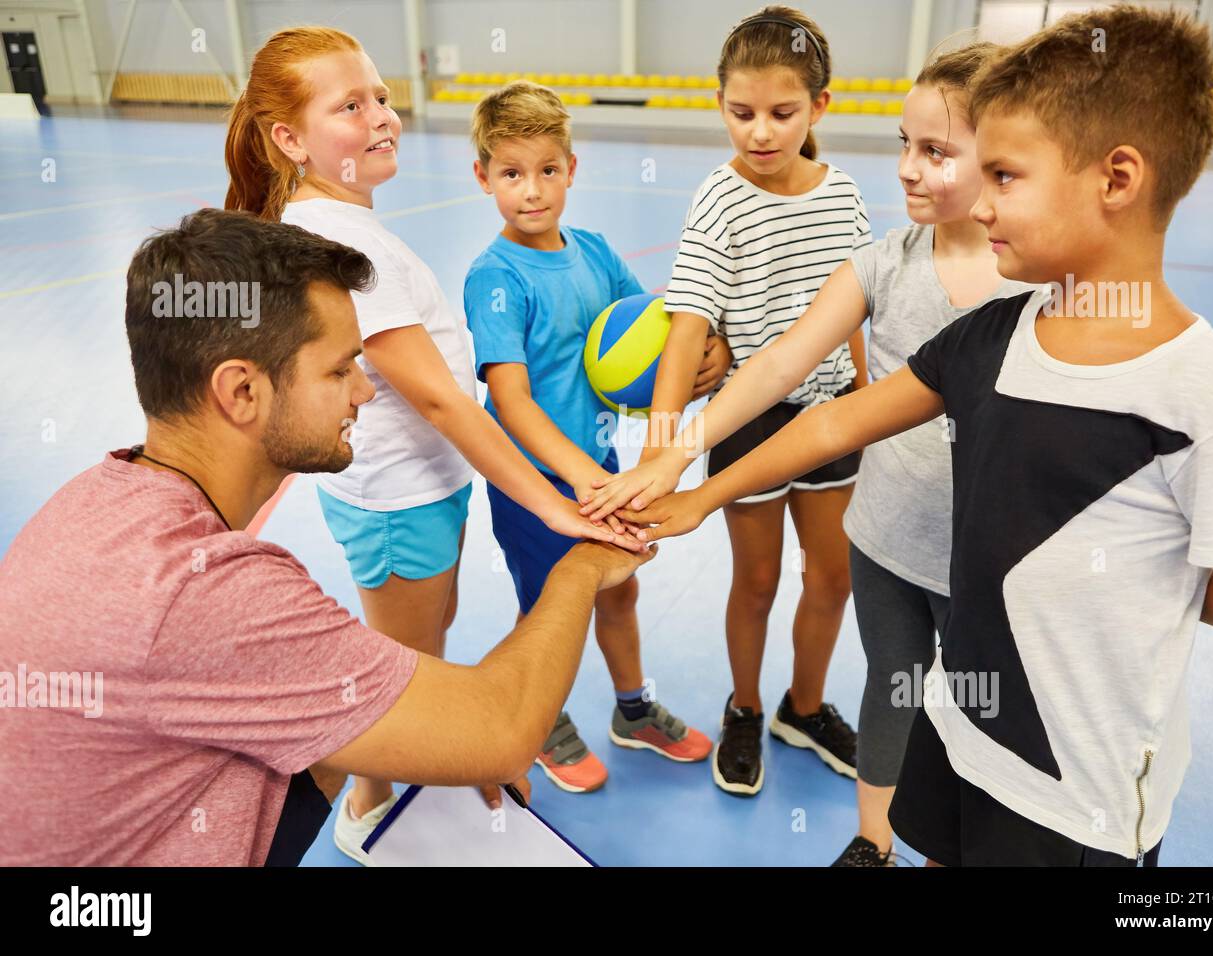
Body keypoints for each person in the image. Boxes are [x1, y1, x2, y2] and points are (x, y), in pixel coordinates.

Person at [609, 4, 1213, 865]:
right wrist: (693, 479)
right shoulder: (994, 335)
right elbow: (822, 406)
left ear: (1116, 179)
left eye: (1002, 175)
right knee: (915, 756)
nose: (978, 195)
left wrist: (1132, 584)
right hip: (962, 729)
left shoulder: (1206, 401)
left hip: (1074, 803)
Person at [0, 208, 654, 866]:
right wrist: (580, 568)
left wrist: (435, 735)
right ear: (242, 390)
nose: (365, 391)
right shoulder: (209, 595)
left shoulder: (96, 495)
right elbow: (506, 733)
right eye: (341, 370)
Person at [223, 27, 674, 857]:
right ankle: (368, 809)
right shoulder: (346, 239)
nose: (383, 117)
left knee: (419, 649)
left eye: (382, 97)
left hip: (422, 492)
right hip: (398, 499)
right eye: (350, 106)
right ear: (290, 138)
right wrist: (552, 500)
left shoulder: (342, 222)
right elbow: (445, 400)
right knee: (396, 671)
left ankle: (396, 788)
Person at [585, 40, 1036, 864]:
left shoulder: (1043, 287)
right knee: (892, 683)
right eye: (903, 143)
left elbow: (846, 391)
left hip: (985, 556)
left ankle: (923, 823)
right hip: (887, 533)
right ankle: (864, 831)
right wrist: (673, 451)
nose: (905, 168)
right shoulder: (884, 262)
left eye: (932, 151)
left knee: (974, 712)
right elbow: (780, 360)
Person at [599, 5, 873, 797]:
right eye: (740, 112)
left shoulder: (844, 195)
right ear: (719, 102)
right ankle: (746, 707)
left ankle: (805, 706)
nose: (759, 131)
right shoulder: (721, 199)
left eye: (782, 113)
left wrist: (871, 404)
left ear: (819, 107)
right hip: (749, 420)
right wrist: (661, 447)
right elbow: (687, 330)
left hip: (832, 417)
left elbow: (856, 307)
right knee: (756, 581)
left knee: (832, 578)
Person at [464, 80, 714, 794]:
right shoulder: (496, 277)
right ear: (483, 177)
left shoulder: (596, 252)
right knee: (548, 607)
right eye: (512, 174)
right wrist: (579, 476)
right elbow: (509, 401)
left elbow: (654, 331)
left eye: (547, 170)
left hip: (598, 466)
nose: (532, 190)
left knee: (618, 592)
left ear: (572, 168)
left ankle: (632, 711)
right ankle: (538, 719)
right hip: (534, 479)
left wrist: (708, 357)